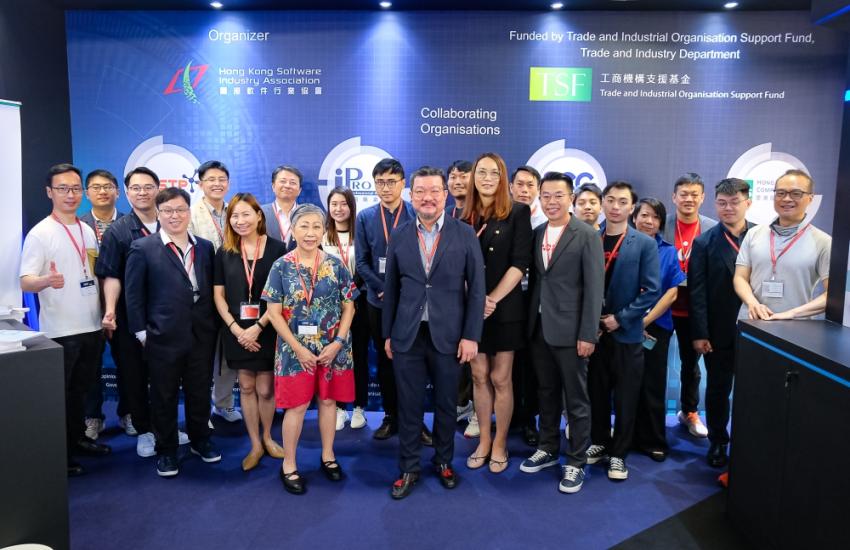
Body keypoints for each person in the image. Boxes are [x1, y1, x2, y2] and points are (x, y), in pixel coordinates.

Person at [382, 166, 485, 499]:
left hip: (450, 335)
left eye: (434, 191)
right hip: (407, 335)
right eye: (421, 191)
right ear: (411, 195)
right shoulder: (398, 234)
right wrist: (387, 334)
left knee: (445, 404)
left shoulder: (464, 233)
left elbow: (478, 289)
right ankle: (409, 467)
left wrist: (471, 335)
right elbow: (392, 289)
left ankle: (444, 461)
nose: (427, 198)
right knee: (409, 404)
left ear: (445, 194)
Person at [20, 163, 111, 476]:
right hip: (61, 329)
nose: (70, 195)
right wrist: (46, 281)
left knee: (82, 392)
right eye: (63, 189)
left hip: (91, 324)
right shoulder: (40, 233)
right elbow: (25, 281)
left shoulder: (86, 230)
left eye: (75, 189)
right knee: (62, 394)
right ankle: (61, 453)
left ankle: (78, 440)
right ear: (49, 192)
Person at [125, 187, 221, 477]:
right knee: (164, 396)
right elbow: (133, 296)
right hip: (162, 337)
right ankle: (166, 450)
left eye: (180, 209)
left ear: (189, 212)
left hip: (201, 335)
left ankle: (199, 439)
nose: (174, 216)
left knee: (199, 392)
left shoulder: (205, 246)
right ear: (158, 214)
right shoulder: (143, 248)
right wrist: (142, 333)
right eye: (167, 211)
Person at [263, 204, 358, 495]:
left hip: (333, 348)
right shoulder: (281, 266)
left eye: (317, 226)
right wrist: (299, 349)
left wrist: (338, 343)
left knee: (329, 402)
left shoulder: (335, 264)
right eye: (304, 226)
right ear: (293, 229)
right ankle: (289, 464)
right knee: (298, 406)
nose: (310, 232)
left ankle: (328, 456)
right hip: (294, 352)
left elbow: (350, 306)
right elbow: (274, 313)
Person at [519, 172, 603, 494]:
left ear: (570, 198)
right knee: (546, 393)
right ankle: (548, 447)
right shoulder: (538, 231)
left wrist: (588, 334)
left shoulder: (586, 234)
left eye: (558, 195)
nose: (552, 202)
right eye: (546, 196)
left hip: (572, 332)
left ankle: (576, 461)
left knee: (577, 399)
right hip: (539, 329)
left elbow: (594, 289)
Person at [462, 152, 532, 474]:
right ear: (473, 177)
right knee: (478, 376)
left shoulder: (518, 212)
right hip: (470, 311)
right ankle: (485, 440)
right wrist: (474, 302)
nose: (487, 178)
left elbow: (520, 263)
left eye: (494, 173)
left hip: (505, 309)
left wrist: (490, 299)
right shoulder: (462, 217)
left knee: (501, 378)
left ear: (503, 178)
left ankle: (501, 443)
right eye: (481, 172)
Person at [355, 158, 432, 444]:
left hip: (413, 302)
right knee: (386, 359)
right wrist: (383, 288)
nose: (385, 187)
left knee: (415, 360)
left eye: (391, 181)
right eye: (380, 182)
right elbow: (362, 263)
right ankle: (391, 416)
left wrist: (401, 290)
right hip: (378, 301)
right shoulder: (365, 217)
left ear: (403, 184)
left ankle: (417, 419)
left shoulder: (417, 213)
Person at [587, 181, 661, 481]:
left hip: (625, 332)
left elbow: (651, 290)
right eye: (610, 200)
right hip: (593, 333)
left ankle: (619, 454)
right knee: (597, 392)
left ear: (632, 207)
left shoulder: (644, 243)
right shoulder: (590, 237)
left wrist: (620, 318)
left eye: (622, 202)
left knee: (627, 396)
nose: (615, 207)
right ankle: (599, 442)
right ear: (603, 203)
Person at [213, 193, 288, 471]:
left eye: (246, 214)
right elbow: (218, 296)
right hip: (235, 330)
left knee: (265, 389)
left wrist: (257, 327)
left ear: (259, 216)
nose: (240, 221)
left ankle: (268, 437)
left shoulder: (279, 249)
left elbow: (281, 296)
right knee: (245, 386)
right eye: (234, 215)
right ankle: (255, 443)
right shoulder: (225, 252)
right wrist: (236, 329)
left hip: (268, 326)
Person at [97, 167, 168, 458]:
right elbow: (110, 275)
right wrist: (111, 312)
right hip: (130, 318)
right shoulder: (119, 230)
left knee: (165, 375)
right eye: (136, 188)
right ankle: (144, 431)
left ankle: (165, 427)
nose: (142, 192)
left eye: (148, 187)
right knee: (134, 375)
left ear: (158, 189)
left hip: (166, 317)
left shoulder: (170, 223)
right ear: (126, 193)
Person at [690, 178, 754, 468]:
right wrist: (700, 332)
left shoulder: (762, 236)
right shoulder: (704, 242)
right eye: (722, 203)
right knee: (718, 389)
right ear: (715, 204)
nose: (728, 208)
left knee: (756, 389)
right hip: (719, 331)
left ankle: (755, 441)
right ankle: (718, 441)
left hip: (758, 330)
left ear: (748, 203)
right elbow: (697, 292)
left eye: (735, 202)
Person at [734, 170, 831, 323]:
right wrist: (753, 303)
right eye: (780, 193)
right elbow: (740, 277)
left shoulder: (823, 241)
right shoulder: (754, 234)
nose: (786, 199)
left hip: (797, 329)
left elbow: (833, 295)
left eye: (796, 193)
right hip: (752, 323)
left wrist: (791, 313)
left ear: (810, 198)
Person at [189, 160, 243, 425]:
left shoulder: (236, 211)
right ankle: (200, 411)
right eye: (211, 179)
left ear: (228, 183)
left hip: (233, 293)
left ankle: (223, 403)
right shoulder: (190, 213)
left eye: (222, 179)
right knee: (202, 356)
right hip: (202, 295)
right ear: (200, 184)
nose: (217, 183)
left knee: (228, 354)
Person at [662, 173, 716, 438]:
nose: (689, 199)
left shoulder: (712, 228)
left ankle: (689, 411)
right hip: (661, 307)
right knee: (651, 363)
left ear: (702, 198)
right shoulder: (662, 224)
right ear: (674, 197)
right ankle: (644, 411)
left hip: (692, 310)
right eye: (683, 194)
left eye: (695, 194)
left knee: (690, 366)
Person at [632, 198, 685, 462]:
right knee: (624, 385)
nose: (648, 221)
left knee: (652, 385)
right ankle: (624, 437)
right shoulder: (622, 246)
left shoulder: (667, 251)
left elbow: (672, 293)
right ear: (634, 218)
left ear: (660, 223)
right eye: (644, 215)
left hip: (656, 328)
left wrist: (644, 322)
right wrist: (630, 320)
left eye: (654, 217)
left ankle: (653, 439)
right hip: (622, 326)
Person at [80, 169, 124, 440]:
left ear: (117, 191)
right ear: (87, 193)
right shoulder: (78, 225)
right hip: (87, 305)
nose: (102, 192)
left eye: (108, 186)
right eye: (96, 187)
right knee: (90, 366)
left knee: (129, 363)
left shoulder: (131, 223)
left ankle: (129, 412)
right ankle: (93, 417)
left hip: (126, 306)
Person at [322, 186, 370, 431]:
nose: (339, 209)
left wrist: (353, 291)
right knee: (336, 359)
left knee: (359, 357)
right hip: (330, 308)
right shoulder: (321, 235)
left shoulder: (360, 233)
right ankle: (340, 408)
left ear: (351, 207)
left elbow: (365, 265)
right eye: (334, 204)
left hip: (358, 304)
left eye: (344, 204)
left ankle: (360, 407)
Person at [509, 164, 546, 447]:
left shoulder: (545, 224)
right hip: (504, 303)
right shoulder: (502, 217)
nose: (524, 190)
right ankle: (506, 417)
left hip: (534, 306)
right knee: (504, 369)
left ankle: (529, 419)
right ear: (510, 187)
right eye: (520, 184)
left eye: (530, 185)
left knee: (531, 368)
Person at [262, 165, 302, 252]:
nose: (287, 186)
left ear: (299, 190)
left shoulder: (307, 214)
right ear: (273, 186)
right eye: (283, 181)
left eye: (293, 183)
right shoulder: (260, 213)